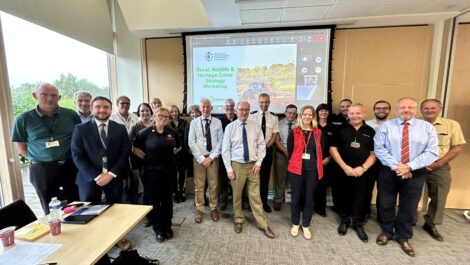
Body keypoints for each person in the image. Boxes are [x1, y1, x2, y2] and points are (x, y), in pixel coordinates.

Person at [374, 97, 438, 257]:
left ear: (415, 109)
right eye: (403, 107)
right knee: (386, 204)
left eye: (410, 107)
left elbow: (432, 152)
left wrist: (409, 166)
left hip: (415, 173)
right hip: (390, 171)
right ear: (397, 109)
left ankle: (403, 237)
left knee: (409, 207)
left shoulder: (427, 128)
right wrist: (398, 167)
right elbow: (379, 149)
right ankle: (387, 232)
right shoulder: (386, 127)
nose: (406, 110)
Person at [71, 96, 132, 250]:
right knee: (88, 211)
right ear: (92, 109)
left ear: (111, 109)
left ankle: (118, 237)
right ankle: (93, 241)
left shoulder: (119, 128)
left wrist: (111, 174)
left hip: (114, 178)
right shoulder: (80, 129)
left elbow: (124, 153)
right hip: (89, 179)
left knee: (116, 210)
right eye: (98, 107)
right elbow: (77, 156)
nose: (102, 110)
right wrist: (97, 176)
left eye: (106, 107)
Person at [11, 83, 81, 214]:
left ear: (59, 98)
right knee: (49, 206)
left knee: (76, 202)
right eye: (44, 94)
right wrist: (39, 159)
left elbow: (79, 139)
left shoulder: (71, 115)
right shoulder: (23, 119)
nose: (49, 99)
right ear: (35, 95)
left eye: (54, 95)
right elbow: (21, 146)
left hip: (69, 166)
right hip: (42, 169)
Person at [222, 101, 275, 238]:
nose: (244, 112)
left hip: (253, 166)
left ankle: (263, 224)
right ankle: (238, 220)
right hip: (237, 165)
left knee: (255, 196)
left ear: (249, 111)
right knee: (237, 195)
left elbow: (262, 146)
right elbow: (225, 150)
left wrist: (258, 163)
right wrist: (229, 169)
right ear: (236, 111)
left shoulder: (255, 126)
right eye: (241, 110)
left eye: (246, 110)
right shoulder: (230, 127)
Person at [133, 107, 182, 243]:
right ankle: (158, 228)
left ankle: (167, 226)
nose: (163, 118)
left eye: (166, 117)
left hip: (168, 172)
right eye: (160, 116)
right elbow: (134, 148)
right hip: (151, 172)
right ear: (154, 116)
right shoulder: (145, 132)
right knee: (154, 201)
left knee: (167, 200)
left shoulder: (171, 132)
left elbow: (179, 146)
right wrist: (146, 158)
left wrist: (170, 155)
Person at [420, 99, 466, 241]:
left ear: (440, 109)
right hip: (416, 166)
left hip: (439, 165)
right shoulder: (414, 124)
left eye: (433, 108)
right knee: (411, 195)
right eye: (426, 108)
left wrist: (438, 164)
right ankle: (408, 221)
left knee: (439, 196)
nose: (429, 110)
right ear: (421, 110)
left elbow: (456, 147)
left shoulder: (451, 125)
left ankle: (431, 223)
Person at [330, 103, 376, 242]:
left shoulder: (371, 131)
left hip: (362, 172)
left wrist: (362, 168)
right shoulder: (340, 129)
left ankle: (358, 224)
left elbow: (374, 154)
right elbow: (333, 149)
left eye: (358, 113)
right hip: (342, 170)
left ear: (364, 114)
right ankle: (344, 221)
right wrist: (345, 167)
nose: (355, 116)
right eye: (352, 113)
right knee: (342, 196)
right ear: (347, 114)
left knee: (361, 197)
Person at [286, 105, 324, 240]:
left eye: (310, 115)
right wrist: (295, 161)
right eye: (305, 114)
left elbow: (320, 151)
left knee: (309, 198)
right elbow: (290, 151)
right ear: (300, 116)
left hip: (312, 171)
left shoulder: (317, 132)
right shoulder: (294, 131)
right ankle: (295, 223)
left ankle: (306, 225)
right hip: (296, 170)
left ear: (313, 117)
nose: (307, 117)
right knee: (296, 197)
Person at [188, 98, 223, 223]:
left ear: (211, 108)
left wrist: (211, 157)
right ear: (200, 109)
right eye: (203, 107)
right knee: (199, 186)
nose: (206, 109)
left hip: (213, 158)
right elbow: (191, 142)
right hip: (199, 159)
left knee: (213, 185)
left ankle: (214, 208)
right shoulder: (194, 123)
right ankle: (200, 209)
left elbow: (220, 141)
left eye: (208, 106)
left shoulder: (217, 122)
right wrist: (202, 158)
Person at [249, 93, 279, 213]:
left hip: (267, 150)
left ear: (269, 102)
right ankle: (252, 204)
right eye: (262, 102)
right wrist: (257, 148)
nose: (264, 104)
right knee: (253, 179)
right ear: (258, 102)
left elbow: (274, 135)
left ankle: (264, 203)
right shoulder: (252, 116)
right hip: (254, 152)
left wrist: (265, 147)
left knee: (265, 178)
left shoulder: (274, 117)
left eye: (266, 102)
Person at [364, 100, 391, 222]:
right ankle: (365, 212)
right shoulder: (366, 125)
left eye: (385, 108)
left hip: (386, 162)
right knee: (366, 188)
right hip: (370, 161)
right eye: (378, 108)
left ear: (389, 110)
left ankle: (382, 215)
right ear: (374, 110)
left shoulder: (394, 125)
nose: (381, 110)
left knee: (384, 190)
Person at [129, 103, 154, 226]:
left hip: (157, 164)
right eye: (142, 110)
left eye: (147, 110)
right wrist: (134, 166)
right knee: (146, 190)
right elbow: (131, 148)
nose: (145, 113)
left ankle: (155, 212)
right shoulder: (135, 127)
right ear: (139, 112)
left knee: (156, 190)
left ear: (151, 111)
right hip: (142, 164)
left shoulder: (156, 125)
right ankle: (146, 215)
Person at [273, 104, 297, 211]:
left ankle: (296, 201)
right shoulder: (278, 124)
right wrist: (285, 151)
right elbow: (276, 140)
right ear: (285, 113)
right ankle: (278, 200)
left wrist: (294, 153)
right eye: (289, 113)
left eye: (293, 113)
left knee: (296, 180)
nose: (291, 115)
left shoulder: (300, 124)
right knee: (280, 179)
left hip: (297, 156)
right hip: (281, 154)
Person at [313, 103, 334, 217]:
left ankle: (321, 208)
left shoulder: (333, 128)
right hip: (313, 161)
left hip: (327, 161)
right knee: (311, 184)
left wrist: (329, 158)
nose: (323, 113)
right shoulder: (313, 126)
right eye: (321, 111)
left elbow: (336, 146)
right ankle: (309, 206)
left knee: (322, 185)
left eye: (326, 111)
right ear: (317, 112)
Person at [218, 99, 237, 210]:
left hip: (236, 154)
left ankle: (237, 199)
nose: (230, 108)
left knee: (236, 177)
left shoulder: (238, 119)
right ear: (224, 108)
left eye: (232, 106)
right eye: (228, 106)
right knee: (223, 177)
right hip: (223, 154)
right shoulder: (220, 121)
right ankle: (223, 199)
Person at [168, 105, 188, 203]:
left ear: (178, 112)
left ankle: (181, 191)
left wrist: (181, 147)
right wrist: (173, 149)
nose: (174, 113)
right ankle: (175, 192)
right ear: (170, 114)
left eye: (176, 111)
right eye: (172, 112)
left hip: (183, 151)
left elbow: (186, 137)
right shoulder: (168, 124)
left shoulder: (184, 122)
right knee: (173, 174)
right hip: (172, 153)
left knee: (182, 173)